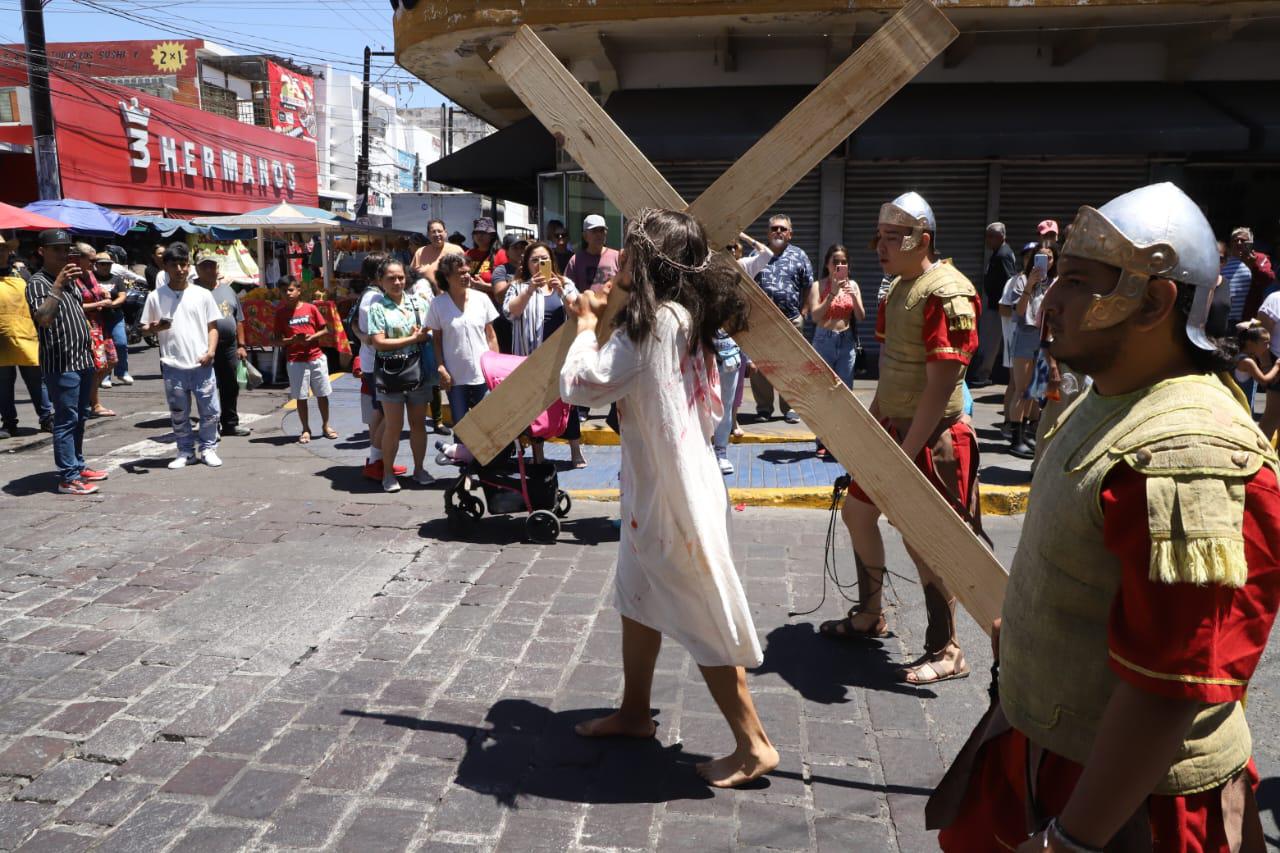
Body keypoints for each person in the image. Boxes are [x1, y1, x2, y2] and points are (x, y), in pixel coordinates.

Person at [929, 182, 1280, 853]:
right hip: (1050, 748)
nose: (1049, 300)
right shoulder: (1115, 396)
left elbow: (1170, 684)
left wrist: (1071, 840)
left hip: (1127, 802)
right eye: (1055, 275)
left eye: (1077, 281)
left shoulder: (1188, 451)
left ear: (1152, 300)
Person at [560, 207, 778, 788]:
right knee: (637, 595)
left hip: (672, 494)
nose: (620, 260)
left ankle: (753, 744)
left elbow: (582, 387)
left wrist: (585, 326)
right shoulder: (683, 315)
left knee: (698, 611)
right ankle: (635, 713)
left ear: (649, 263)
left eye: (630, 252)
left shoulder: (652, 326)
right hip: (667, 479)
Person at [822, 192, 980, 687]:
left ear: (923, 239)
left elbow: (939, 388)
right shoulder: (897, 288)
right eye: (880, 237)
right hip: (893, 428)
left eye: (894, 238)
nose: (880, 247)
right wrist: (870, 434)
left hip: (931, 438)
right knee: (858, 510)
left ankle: (948, 648)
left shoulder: (947, 292)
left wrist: (903, 455)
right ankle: (872, 613)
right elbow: (892, 373)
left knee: (925, 540)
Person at [25, 229, 107, 494]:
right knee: (66, 419)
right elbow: (44, 318)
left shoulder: (71, 278)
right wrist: (58, 285)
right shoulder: (38, 282)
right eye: (57, 249)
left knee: (81, 416)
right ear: (42, 251)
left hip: (82, 358)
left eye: (66, 249)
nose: (63, 254)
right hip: (61, 362)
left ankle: (78, 465)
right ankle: (67, 477)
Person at [503, 240, 586, 467]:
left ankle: (575, 451)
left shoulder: (565, 283)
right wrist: (530, 289)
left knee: (568, 401)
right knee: (534, 407)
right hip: (529, 358)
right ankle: (538, 454)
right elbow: (510, 313)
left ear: (552, 261)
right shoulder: (518, 286)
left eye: (544, 259)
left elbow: (578, 313)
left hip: (560, 357)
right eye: (535, 260)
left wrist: (560, 290)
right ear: (527, 264)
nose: (540, 264)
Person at [141, 244, 222, 470]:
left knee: (210, 412)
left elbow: (212, 326)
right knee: (179, 414)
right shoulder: (155, 297)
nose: (180, 269)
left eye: (183, 264)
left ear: (189, 266)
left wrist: (211, 352)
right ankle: (185, 451)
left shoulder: (202, 294)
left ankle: (208, 448)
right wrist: (156, 327)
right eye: (174, 265)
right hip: (173, 365)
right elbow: (144, 329)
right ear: (165, 267)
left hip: (201, 363)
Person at [368, 258, 433, 492]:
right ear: (380, 281)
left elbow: (430, 331)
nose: (397, 282)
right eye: (391, 278)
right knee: (393, 426)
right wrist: (413, 339)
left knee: (418, 425)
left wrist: (425, 333)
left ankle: (419, 469)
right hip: (391, 373)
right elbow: (378, 342)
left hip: (418, 371)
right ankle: (388, 473)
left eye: (401, 277)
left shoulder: (419, 303)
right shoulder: (377, 307)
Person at [751, 213, 814, 424]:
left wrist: (804, 312)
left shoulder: (800, 255)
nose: (778, 231)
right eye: (774, 228)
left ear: (790, 234)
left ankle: (790, 408)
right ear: (768, 233)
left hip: (791, 320)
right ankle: (764, 408)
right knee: (761, 367)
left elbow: (808, 285)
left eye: (782, 229)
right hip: (762, 323)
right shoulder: (756, 254)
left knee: (792, 366)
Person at [428, 253, 499, 437]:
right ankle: (463, 457)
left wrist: (496, 368)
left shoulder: (481, 298)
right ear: (446, 276)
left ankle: (487, 461)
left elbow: (490, 336)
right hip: (455, 376)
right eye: (460, 273)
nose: (466, 276)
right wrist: (441, 367)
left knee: (487, 421)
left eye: (467, 272)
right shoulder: (437, 304)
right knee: (460, 424)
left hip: (483, 374)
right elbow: (436, 340)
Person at [809, 244, 866, 458]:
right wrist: (832, 294)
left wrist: (853, 296)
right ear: (827, 264)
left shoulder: (853, 285)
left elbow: (860, 316)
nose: (839, 265)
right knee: (824, 394)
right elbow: (815, 316)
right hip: (824, 339)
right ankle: (823, 441)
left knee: (844, 395)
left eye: (843, 262)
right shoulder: (818, 285)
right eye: (835, 261)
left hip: (846, 341)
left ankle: (841, 443)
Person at [1005, 245, 1056, 458]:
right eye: (1041, 257)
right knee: (1022, 389)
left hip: (1045, 337)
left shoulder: (1054, 283)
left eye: (1050, 257)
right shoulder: (1021, 280)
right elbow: (1018, 311)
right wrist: (1031, 284)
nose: (1046, 261)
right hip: (1025, 335)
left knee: (1036, 390)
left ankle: (1026, 433)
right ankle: (1015, 437)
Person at [272, 277, 335, 446]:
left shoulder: (311, 308)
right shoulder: (280, 313)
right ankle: (305, 428)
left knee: (322, 394)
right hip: (295, 360)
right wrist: (291, 340)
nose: (288, 293)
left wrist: (312, 337)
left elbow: (325, 329)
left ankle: (326, 425)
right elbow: (276, 341)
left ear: (299, 291)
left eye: (291, 290)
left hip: (316, 357)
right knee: (301, 397)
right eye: (284, 290)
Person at [0, 237, 52, 438]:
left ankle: (47, 418)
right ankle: (9, 423)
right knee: (3, 386)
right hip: (1, 339)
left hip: (26, 334)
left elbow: (36, 302)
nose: (0, 253)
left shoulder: (22, 274)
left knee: (37, 381)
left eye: (3, 249)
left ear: (9, 252)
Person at [195, 252, 251, 437]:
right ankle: (211, 425)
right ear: (197, 270)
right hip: (203, 346)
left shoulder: (228, 290)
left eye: (212, 265)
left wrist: (241, 345)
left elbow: (239, 319)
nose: (210, 269)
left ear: (217, 268)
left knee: (230, 386)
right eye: (205, 266)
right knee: (207, 387)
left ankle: (230, 424)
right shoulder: (192, 290)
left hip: (229, 346)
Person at [70, 243, 117, 418]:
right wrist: (98, 303)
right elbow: (74, 306)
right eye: (91, 260)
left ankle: (90, 400)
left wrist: (103, 294)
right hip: (86, 326)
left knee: (110, 361)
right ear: (78, 258)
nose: (94, 263)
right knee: (96, 366)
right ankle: (93, 403)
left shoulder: (90, 274)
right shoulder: (72, 277)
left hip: (99, 325)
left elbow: (96, 290)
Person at [971, 222, 1019, 386]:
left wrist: (1004, 302)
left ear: (1000, 237)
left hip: (997, 306)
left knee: (990, 341)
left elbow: (1009, 279)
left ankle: (983, 375)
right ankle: (984, 373)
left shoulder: (1003, 254)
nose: (987, 240)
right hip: (995, 304)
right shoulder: (999, 252)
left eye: (990, 236)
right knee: (990, 339)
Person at [92, 252, 132, 387]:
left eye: (108, 264)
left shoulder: (116, 279)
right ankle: (104, 375)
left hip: (115, 316)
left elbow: (122, 295)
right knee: (102, 348)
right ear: (96, 265)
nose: (105, 267)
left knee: (121, 343)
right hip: (97, 318)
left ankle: (122, 372)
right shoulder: (91, 278)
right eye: (102, 264)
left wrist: (113, 304)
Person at [1222, 227, 1276, 323]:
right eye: (1235, 240)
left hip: (1245, 321)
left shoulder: (1259, 258)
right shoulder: (1224, 261)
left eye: (1243, 241)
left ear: (1251, 243)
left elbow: (1268, 279)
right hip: (1223, 318)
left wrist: (1253, 264)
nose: (1239, 243)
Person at [563, 214, 621, 296]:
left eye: (601, 230)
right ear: (585, 236)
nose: (599, 235)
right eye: (594, 231)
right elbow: (567, 290)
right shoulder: (576, 260)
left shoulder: (617, 257)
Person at [411, 219, 464, 295]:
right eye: (433, 232)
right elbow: (411, 276)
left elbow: (464, 273)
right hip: (426, 300)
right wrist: (417, 274)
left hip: (452, 297)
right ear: (428, 234)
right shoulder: (420, 252)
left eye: (440, 231)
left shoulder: (456, 250)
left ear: (445, 233)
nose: (437, 234)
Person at [1234, 323, 1277, 412]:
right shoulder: (1247, 362)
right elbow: (1263, 381)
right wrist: (1277, 366)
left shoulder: (1245, 357)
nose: (1268, 347)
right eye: (1265, 343)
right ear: (1250, 343)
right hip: (1241, 406)